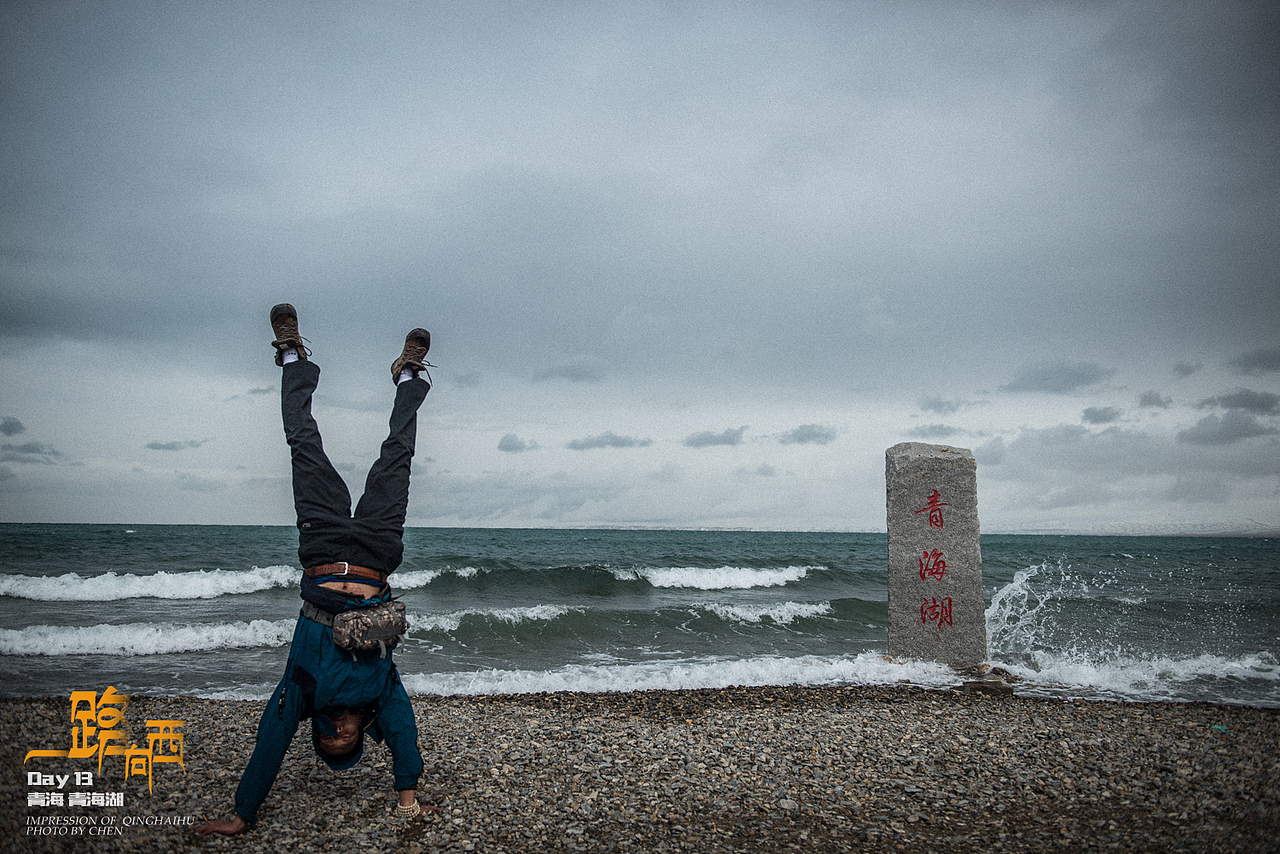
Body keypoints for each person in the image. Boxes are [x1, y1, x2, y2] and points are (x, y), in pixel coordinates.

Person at [198, 304, 435, 836]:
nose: (334, 733)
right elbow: (404, 731)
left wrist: (243, 814)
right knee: (398, 456)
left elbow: (269, 742)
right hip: (377, 550)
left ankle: (291, 358)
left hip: (323, 543)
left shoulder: (300, 692)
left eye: (326, 739)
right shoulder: (380, 694)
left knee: (303, 444)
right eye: (340, 741)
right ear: (358, 735)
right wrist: (408, 798)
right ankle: (410, 377)